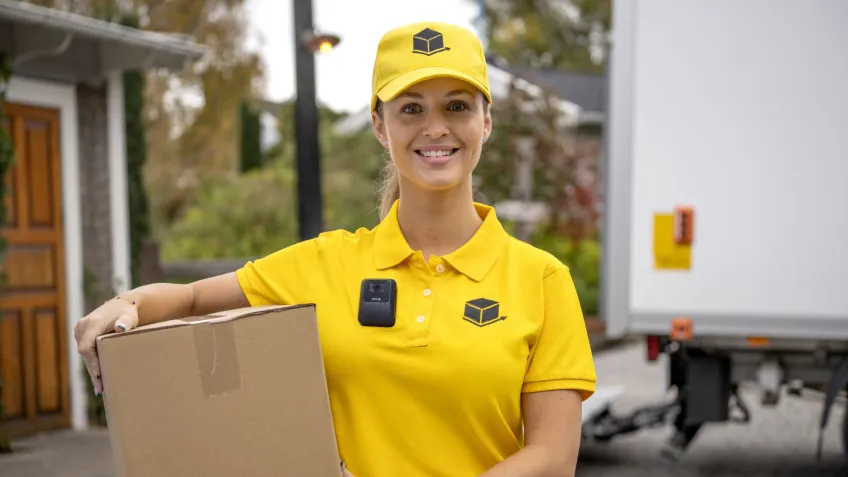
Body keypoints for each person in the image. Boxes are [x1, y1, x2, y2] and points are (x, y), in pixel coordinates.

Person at [74, 21, 596, 477]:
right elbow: (190, 300)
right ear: (379, 125)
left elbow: (552, 457)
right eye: (410, 108)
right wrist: (125, 306)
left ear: (485, 122)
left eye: (456, 106)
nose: (435, 127)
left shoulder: (541, 280)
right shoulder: (326, 263)